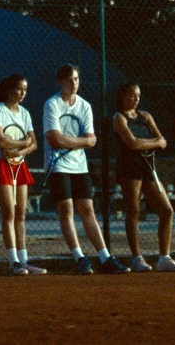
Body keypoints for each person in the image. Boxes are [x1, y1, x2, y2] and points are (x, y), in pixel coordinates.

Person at [42, 64, 129, 275]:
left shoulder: (84, 106)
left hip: (79, 167)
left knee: (88, 210)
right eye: (70, 79)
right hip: (58, 166)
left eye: (77, 79)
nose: (74, 83)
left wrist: (71, 141)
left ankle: (105, 257)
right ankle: (79, 258)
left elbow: (92, 141)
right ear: (61, 82)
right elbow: (54, 138)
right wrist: (81, 141)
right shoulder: (52, 105)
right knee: (67, 210)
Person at [112, 82, 175, 272]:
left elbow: (162, 142)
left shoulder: (146, 116)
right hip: (129, 169)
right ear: (122, 96)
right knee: (134, 211)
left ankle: (164, 258)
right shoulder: (118, 118)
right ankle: (137, 259)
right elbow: (132, 144)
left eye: (138, 95)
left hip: (148, 167)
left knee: (167, 210)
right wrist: (152, 142)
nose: (136, 99)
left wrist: (148, 143)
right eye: (131, 95)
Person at [0, 73, 46, 275]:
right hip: (0, 164)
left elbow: (34, 144)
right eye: (19, 88)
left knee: (20, 213)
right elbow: (0, 141)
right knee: (9, 213)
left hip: (19, 165)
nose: (22, 93)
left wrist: (19, 151)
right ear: (9, 89)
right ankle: (13, 262)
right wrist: (24, 143)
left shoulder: (25, 113)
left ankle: (24, 260)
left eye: (25, 89)